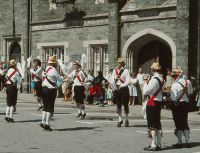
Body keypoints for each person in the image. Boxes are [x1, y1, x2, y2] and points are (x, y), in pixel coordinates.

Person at [143, 62, 164, 151]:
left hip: (152, 102)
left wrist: (145, 82)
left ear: (153, 70)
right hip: (158, 101)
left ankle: (153, 144)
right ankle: (158, 143)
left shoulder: (153, 79)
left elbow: (146, 92)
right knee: (157, 123)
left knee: (151, 123)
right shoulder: (162, 78)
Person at [170, 68, 193, 148]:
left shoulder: (174, 85)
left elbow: (173, 98)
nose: (173, 77)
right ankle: (187, 142)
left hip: (177, 105)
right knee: (184, 122)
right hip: (185, 104)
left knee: (178, 123)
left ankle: (179, 142)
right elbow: (190, 92)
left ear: (177, 76)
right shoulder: (188, 82)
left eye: (174, 76)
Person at [39, 56, 62, 131]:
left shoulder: (46, 69)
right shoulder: (54, 70)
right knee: (50, 107)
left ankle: (42, 122)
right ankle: (47, 124)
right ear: (54, 64)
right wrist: (61, 80)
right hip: (51, 89)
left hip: (43, 88)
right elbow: (59, 79)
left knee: (45, 106)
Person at [110, 57, 130, 127]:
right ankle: (120, 120)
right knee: (118, 105)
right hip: (117, 88)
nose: (118, 64)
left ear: (122, 64)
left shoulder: (126, 71)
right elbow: (112, 79)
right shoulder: (114, 70)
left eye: (120, 63)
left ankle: (126, 120)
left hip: (124, 88)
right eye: (118, 62)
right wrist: (113, 87)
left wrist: (123, 85)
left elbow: (128, 80)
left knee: (125, 104)